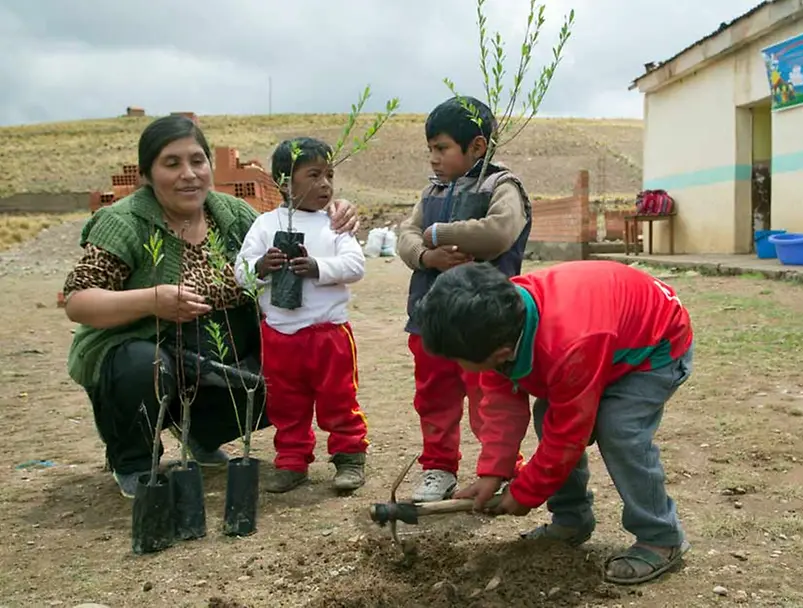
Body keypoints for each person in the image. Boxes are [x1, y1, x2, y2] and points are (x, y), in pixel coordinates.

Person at [62, 115, 360, 499]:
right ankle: (133, 459)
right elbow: (78, 301)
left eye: (197, 161)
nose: (189, 174)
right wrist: (153, 301)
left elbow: (296, 228)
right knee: (144, 365)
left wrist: (337, 211)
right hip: (143, 355)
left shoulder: (233, 215)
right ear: (147, 175)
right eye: (172, 164)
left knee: (286, 369)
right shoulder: (124, 223)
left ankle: (203, 435)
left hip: (208, 357)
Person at [414, 260, 695, 586]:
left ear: (503, 352)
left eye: (458, 361)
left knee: (619, 431)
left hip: (652, 347)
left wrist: (525, 493)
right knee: (548, 416)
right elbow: (502, 407)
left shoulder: (567, 342)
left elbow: (569, 435)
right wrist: (494, 472)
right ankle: (572, 520)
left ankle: (661, 537)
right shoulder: (494, 320)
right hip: (598, 341)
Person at [396, 95, 532, 502]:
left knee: (491, 399)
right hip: (429, 319)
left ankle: (503, 467)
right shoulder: (431, 191)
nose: (434, 159)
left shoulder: (503, 186)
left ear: (476, 146)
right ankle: (438, 469)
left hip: (482, 323)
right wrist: (426, 256)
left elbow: (498, 233)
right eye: (430, 150)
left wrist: (437, 233)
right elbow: (406, 235)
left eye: (442, 149)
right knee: (433, 397)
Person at [235, 137, 369, 494]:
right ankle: (292, 463)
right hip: (279, 336)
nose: (325, 184)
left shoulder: (335, 224)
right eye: (313, 175)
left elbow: (355, 266)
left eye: (329, 175)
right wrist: (261, 266)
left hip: (329, 335)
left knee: (339, 399)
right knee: (286, 405)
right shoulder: (264, 226)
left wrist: (318, 268)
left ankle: (350, 458)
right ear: (283, 183)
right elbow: (240, 273)